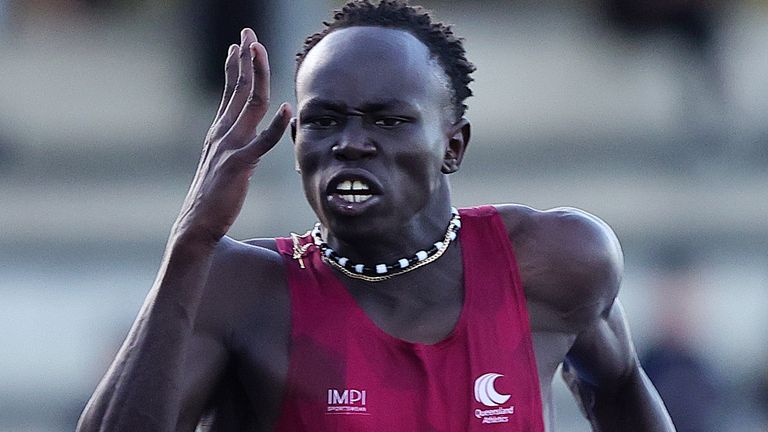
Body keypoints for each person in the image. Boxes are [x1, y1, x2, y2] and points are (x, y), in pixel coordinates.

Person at [76, 1, 675, 431]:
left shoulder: (555, 262)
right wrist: (191, 244)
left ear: (453, 147)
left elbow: (618, 387)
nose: (351, 143)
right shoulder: (237, 286)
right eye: (324, 120)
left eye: (388, 120)